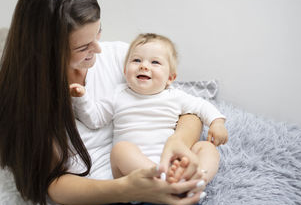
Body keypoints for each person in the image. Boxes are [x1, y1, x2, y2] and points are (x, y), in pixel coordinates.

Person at [0, 0, 211, 205]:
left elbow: (186, 109)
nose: (97, 49)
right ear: (47, 53)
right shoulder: (24, 105)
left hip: (148, 188)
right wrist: (127, 188)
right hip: (86, 202)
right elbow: (52, 184)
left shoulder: (122, 59)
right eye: (83, 47)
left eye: (98, 33)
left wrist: (176, 142)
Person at [70, 33, 228, 189]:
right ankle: (164, 184)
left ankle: (195, 180)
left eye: (155, 62)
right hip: (133, 175)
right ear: (125, 71)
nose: (144, 66)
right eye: (136, 60)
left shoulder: (174, 96)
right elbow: (95, 119)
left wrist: (217, 123)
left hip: (171, 162)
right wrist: (82, 98)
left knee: (207, 148)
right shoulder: (118, 94)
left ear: (170, 78)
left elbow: (201, 106)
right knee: (121, 150)